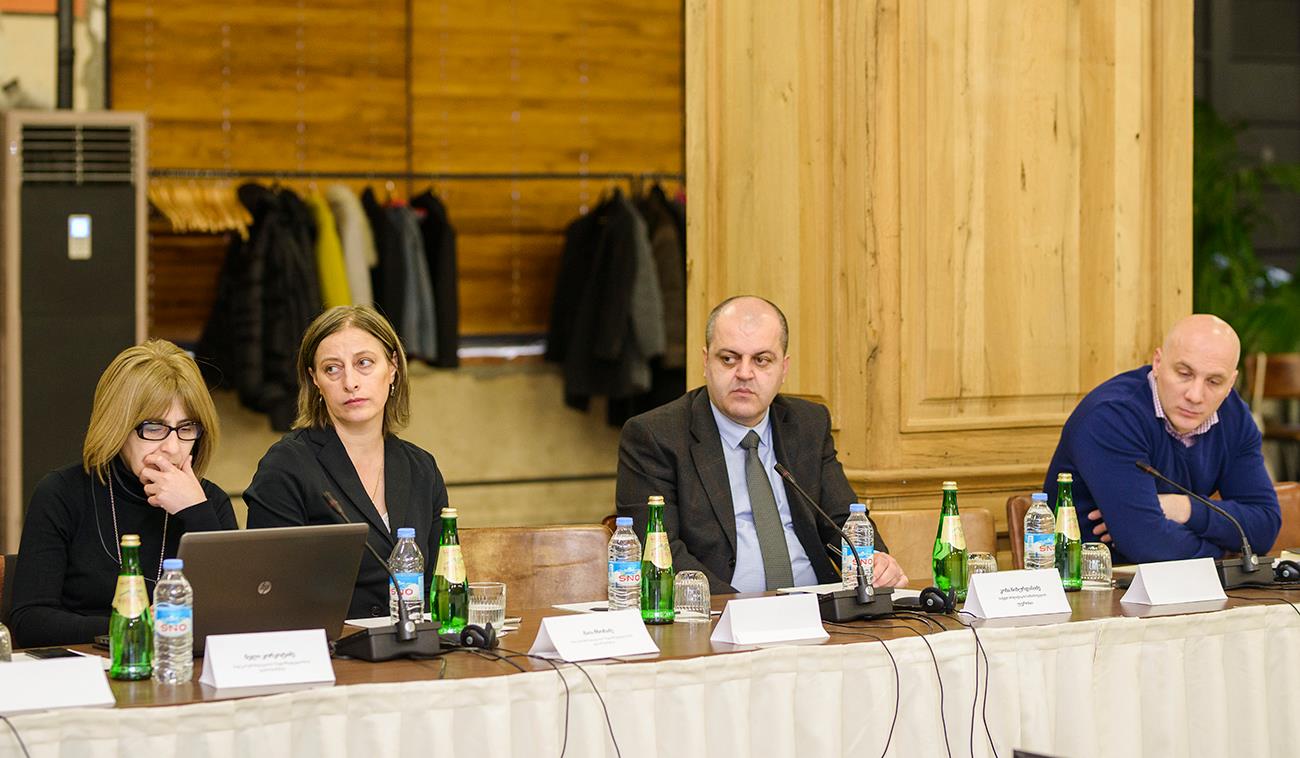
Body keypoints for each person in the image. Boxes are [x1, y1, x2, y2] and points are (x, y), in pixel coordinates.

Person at [616, 296, 908, 594]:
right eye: (728, 359)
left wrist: (876, 562)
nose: (744, 373)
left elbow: (842, 519)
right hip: (719, 609)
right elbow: (659, 551)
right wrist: (740, 609)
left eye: (761, 360)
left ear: (784, 368)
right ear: (705, 361)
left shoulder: (808, 423)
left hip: (817, 606)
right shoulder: (655, 435)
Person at [9, 340, 236, 647]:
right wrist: (135, 626)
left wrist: (196, 513)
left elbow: (238, 616)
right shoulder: (61, 493)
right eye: (154, 428)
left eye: (186, 428)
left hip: (179, 666)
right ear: (117, 427)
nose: (172, 447)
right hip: (85, 666)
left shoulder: (209, 502)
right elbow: (30, 621)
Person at [244, 305, 448, 618]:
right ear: (315, 380)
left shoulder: (422, 468)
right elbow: (270, 592)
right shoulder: (286, 466)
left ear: (393, 367)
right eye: (332, 369)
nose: (350, 382)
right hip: (326, 643)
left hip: (412, 641)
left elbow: (436, 587)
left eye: (364, 363)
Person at [1045, 314, 1280, 565]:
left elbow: (1264, 527)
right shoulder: (1112, 416)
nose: (1195, 395)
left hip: (1186, 579)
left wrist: (1184, 508)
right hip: (1094, 578)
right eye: (1184, 373)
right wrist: (1228, 554)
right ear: (1157, 363)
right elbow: (1147, 543)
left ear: (1230, 383)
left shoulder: (1234, 416)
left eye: (1214, 381)